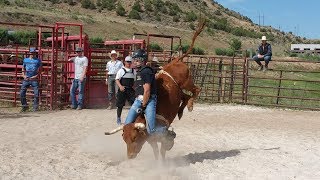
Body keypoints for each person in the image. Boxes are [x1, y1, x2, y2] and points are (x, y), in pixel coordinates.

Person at [124, 49, 168, 136]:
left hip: (149, 100)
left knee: (151, 130)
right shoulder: (140, 71)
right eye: (134, 60)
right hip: (139, 100)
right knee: (126, 126)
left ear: (142, 60)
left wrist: (143, 105)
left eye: (136, 60)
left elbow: (147, 90)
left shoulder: (146, 71)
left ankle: (166, 132)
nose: (134, 62)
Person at [115, 56, 136, 125]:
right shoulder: (121, 70)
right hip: (123, 89)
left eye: (130, 62)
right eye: (127, 62)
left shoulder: (134, 71)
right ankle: (118, 118)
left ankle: (134, 118)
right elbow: (117, 79)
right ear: (125, 62)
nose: (129, 63)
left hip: (130, 89)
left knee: (134, 104)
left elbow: (135, 81)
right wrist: (120, 86)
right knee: (120, 105)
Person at [20, 48, 42, 112]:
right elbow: (23, 68)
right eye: (31, 53)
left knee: (36, 93)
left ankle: (35, 108)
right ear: (29, 53)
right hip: (26, 78)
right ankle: (24, 106)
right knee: (22, 93)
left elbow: (40, 70)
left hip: (34, 79)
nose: (32, 54)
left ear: (35, 53)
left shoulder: (38, 60)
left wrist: (35, 76)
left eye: (34, 53)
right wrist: (23, 75)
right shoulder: (25, 60)